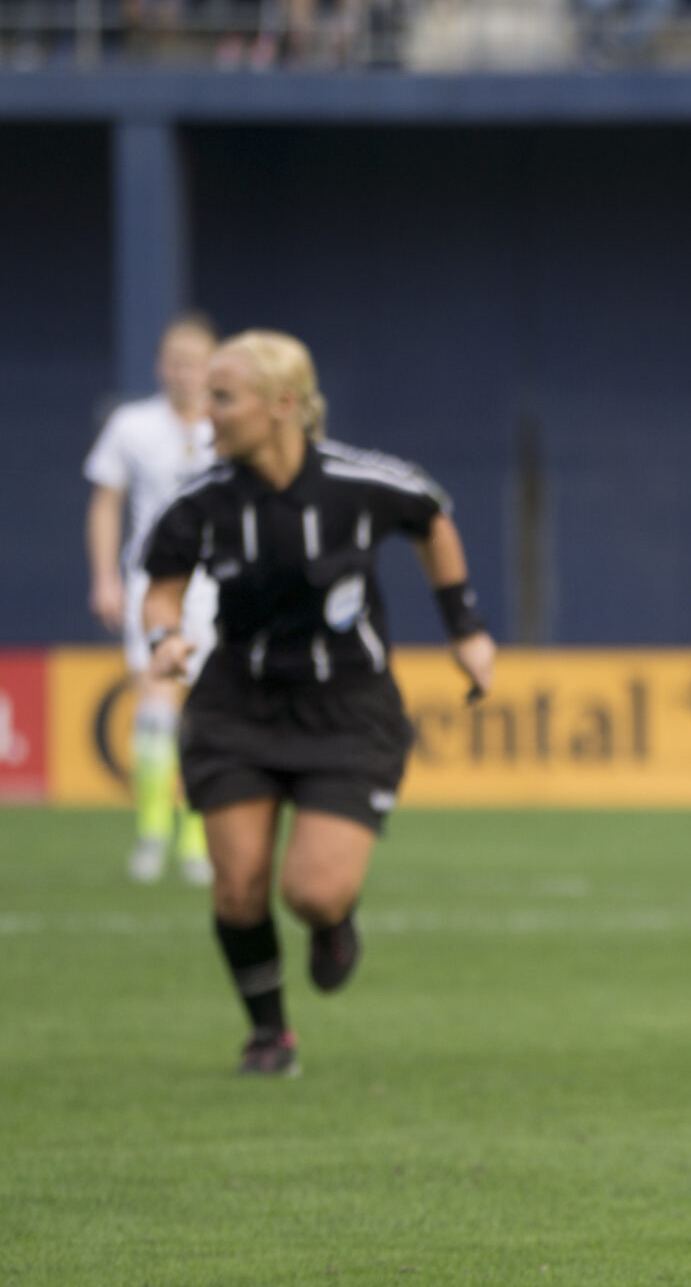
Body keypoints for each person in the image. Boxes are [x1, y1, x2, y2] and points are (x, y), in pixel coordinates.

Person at [137, 331, 496, 1077]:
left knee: (312, 891)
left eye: (223, 396)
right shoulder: (202, 501)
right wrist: (165, 636)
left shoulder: (361, 485)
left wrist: (465, 629)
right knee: (237, 885)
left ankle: (334, 922)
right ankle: (270, 1034)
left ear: (282, 406)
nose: (206, 411)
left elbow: (433, 520)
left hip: (348, 708)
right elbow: (163, 584)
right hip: (239, 704)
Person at [85, 312, 220, 886]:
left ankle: (196, 838)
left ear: (213, 367)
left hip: (216, 583)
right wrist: (105, 578)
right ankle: (151, 832)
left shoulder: (228, 425)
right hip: (152, 581)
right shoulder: (131, 425)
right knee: (156, 703)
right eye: (175, 363)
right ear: (159, 367)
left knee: (206, 710)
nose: (185, 374)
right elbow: (106, 502)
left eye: (195, 363)